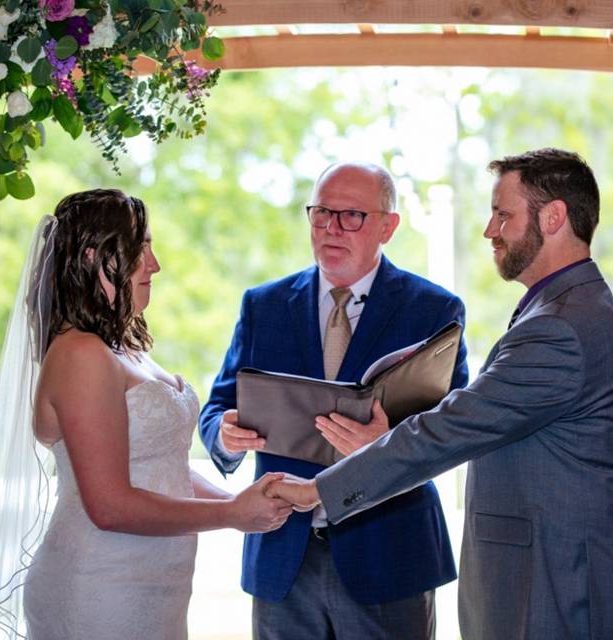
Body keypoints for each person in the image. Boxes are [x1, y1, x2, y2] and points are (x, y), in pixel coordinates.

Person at [271, 149, 613, 639]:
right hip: (552, 580)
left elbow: (454, 425)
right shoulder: (567, 307)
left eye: (503, 214)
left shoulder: (562, 327)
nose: (490, 230)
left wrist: (315, 491)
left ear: (553, 217)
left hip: (559, 587)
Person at [0, 189, 292, 639]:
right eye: (140, 249)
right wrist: (232, 516)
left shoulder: (123, 346)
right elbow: (110, 506)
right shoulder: (80, 353)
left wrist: (248, 501)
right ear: (92, 257)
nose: (154, 264)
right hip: (101, 583)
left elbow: (160, 468)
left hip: (155, 584)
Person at [198, 162, 468, 639]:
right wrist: (224, 433)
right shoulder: (263, 305)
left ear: (388, 226)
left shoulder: (435, 310)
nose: (331, 229)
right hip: (282, 554)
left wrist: (387, 445)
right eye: (321, 214)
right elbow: (216, 408)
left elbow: (454, 433)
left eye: (350, 216)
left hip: (388, 553)